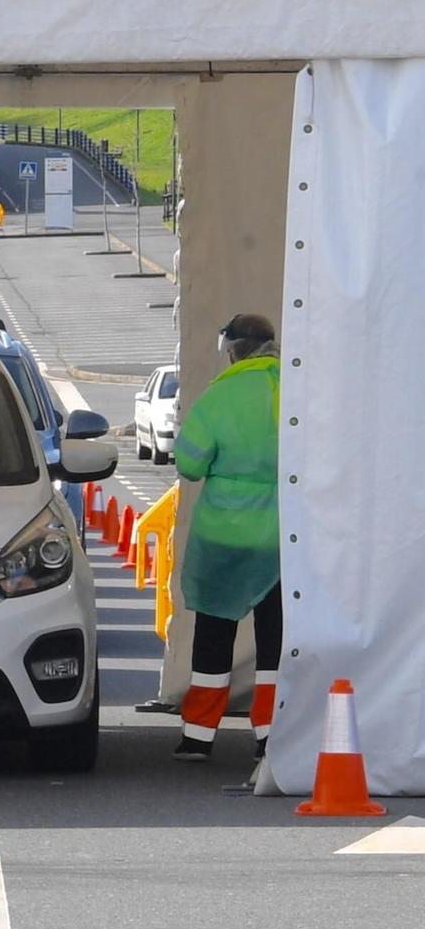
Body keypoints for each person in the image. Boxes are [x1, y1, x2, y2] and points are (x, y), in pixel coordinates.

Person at [171, 313, 282, 762]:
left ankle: (198, 737)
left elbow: (190, 463)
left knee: (214, 633)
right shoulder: (298, 390)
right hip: (281, 537)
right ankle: (271, 736)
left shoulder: (221, 395)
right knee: (276, 638)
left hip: (224, 535)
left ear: (233, 349)